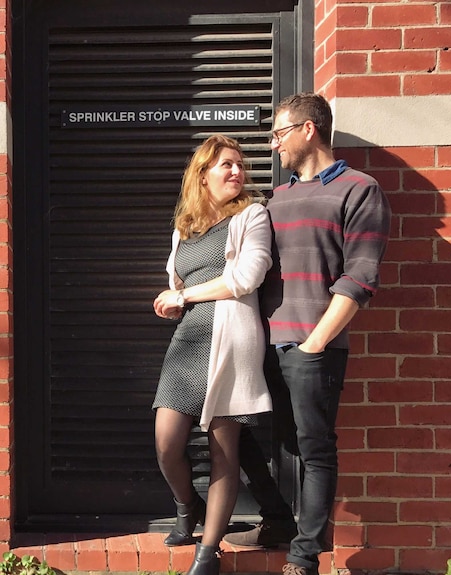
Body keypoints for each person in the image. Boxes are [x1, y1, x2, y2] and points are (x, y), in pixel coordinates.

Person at [222, 92, 391, 575]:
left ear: (307, 130)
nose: (273, 145)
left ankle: (305, 554)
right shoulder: (274, 199)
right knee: (238, 435)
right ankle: (276, 519)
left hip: (312, 347)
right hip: (258, 346)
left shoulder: (360, 190)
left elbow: (360, 277)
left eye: (278, 134)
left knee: (315, 448)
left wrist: (316, 342)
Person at [152, 134, 274, 575]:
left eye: (240, 165)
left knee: (225, 450)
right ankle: (188, 507)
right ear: (203, 175)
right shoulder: (185, 227)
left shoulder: (253, 216)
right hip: (189, 341)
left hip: (233, 341)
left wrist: (182, 298)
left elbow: (246, 278)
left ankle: (208, 553)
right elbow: (180, 284)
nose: (237, 172)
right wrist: (174, 301)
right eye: (226, 165)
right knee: (167, 442)